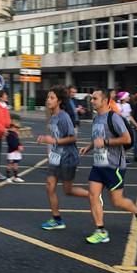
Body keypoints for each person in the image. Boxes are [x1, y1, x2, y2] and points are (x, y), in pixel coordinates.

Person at [79, 89, 137, 244]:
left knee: (117, 201)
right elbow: (98, 138)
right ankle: (100, 230)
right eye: (91, 98)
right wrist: (88, 147)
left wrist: (106, 143)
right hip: (98, 164)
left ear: (104, 101)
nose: (91, 101)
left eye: (94, 99)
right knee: (93, 195)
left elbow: (127, 138)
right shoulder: (96, 119)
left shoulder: (114, 118)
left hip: (114, 166)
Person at [37, 85, 89, 230]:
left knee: (68, 190)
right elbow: (54, 135)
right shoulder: (52, 115)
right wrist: (46, 139)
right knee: (49, 186)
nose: (48, 100)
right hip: (56, 156)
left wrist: (53, 141)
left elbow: (73, 138)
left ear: (59, 101)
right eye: (48, 97)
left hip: (67, 157)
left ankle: (93, 196)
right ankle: (57, 219)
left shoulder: (64, 116)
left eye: (52, 98)